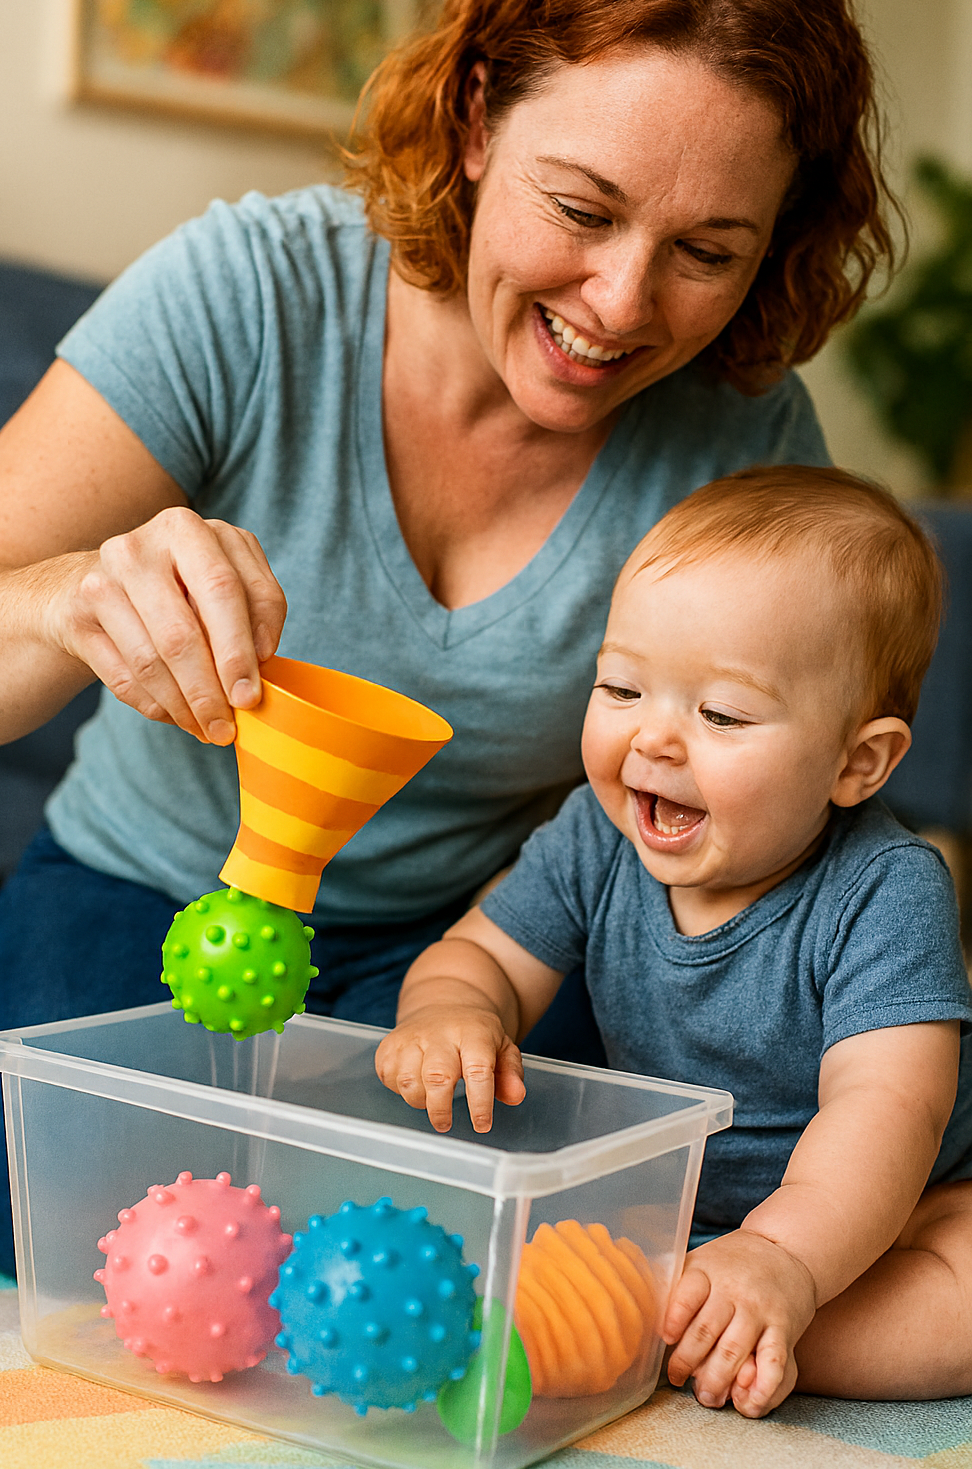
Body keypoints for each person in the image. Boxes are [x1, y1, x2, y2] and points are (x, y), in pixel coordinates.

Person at [0, 0, 893, 1274]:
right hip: (148, 880)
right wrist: (66, 601)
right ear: (470, 123)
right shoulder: (253, 294)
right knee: (32, 1218)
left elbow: (780, 798)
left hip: (480, 936)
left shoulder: (742, 442)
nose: (621, 305)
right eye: (580, 209)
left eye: (707, 249)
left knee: (528, 1225)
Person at [375, 465, 972, 1416]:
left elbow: (889, 1108)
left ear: (856, 763)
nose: (653, 739)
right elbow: (481, 954)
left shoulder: (887, 888)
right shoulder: (594, 837)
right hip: (671, 1205)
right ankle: (694, 1315)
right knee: (509, 1215)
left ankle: (717, 1328)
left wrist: (785, 1256)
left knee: (967, 1293)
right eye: (621, 688)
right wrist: (453, 1012)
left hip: (894, 1210)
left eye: (721, 714)